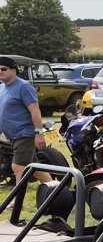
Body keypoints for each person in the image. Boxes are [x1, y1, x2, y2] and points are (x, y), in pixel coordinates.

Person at [0, 55, 52, 183]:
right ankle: (56, 190)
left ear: (14, 71)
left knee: (18, 167)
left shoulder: (24, 87)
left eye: (3, 69)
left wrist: (39, 134)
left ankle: (17, 202)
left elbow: (35, 111)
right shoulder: (2, 88)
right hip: (12, 136)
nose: (0, 71)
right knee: (34, 167)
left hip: (24, 134)